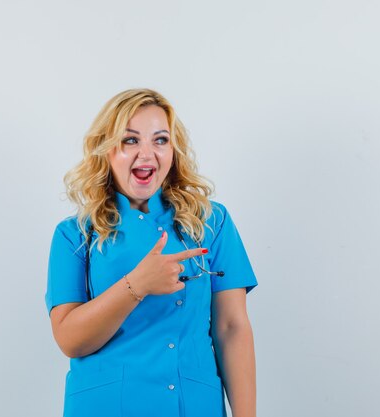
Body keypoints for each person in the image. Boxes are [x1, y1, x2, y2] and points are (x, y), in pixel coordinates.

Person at [45, 88, 258, 417]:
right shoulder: (74, 235)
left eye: (160, 140)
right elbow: (70, 339)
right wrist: (137, 285)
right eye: (130, 140)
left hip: (193, 406)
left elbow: (232, 327)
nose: (147, 154)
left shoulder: (212, 222)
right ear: (106, 150)